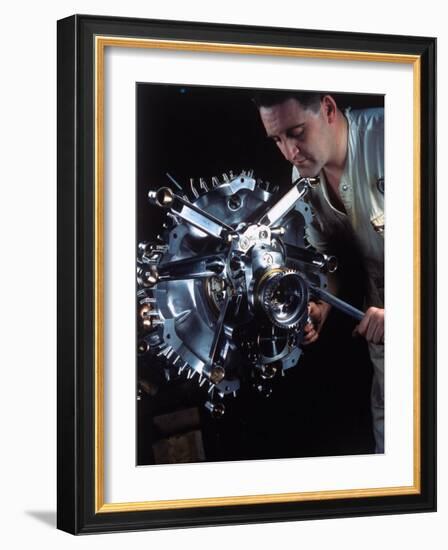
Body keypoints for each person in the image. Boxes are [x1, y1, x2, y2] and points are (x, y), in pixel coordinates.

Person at [254, 90, 384, 453]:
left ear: (327, 109)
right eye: (277, 140)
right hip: (387, 348)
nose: (289, 151)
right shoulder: (304, 178)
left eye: (296, 132)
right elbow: (331, 260)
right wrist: (322, 305)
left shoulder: (398, 136)